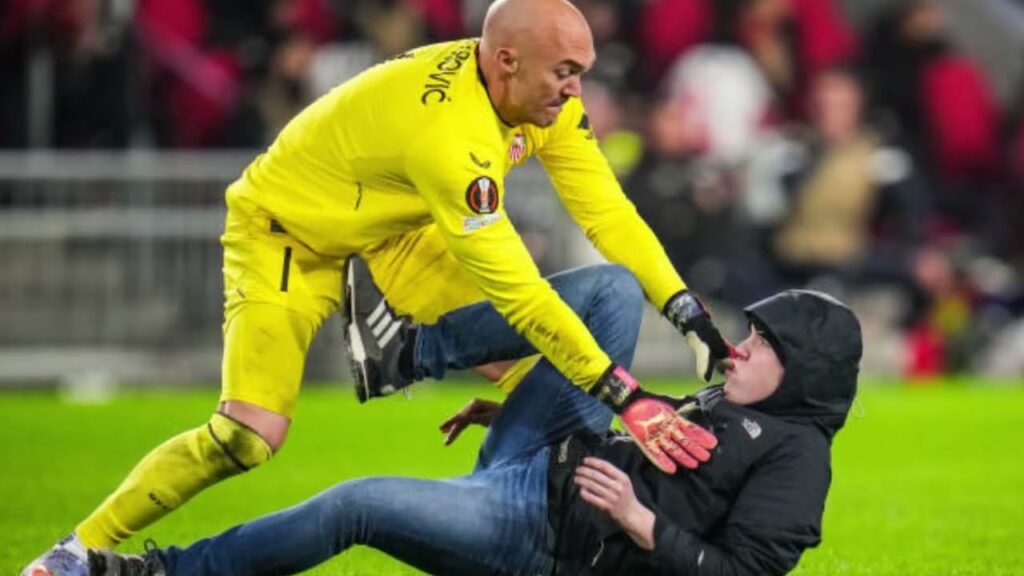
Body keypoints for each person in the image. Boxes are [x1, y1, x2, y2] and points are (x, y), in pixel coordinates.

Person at [24, 1, 733, 574]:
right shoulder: (453, 143)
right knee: (246, 438)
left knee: (534, 371)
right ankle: (77, 552)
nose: (577, 90)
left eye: (583, 71)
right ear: (507, 61)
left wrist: (688, 313)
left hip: (396, 222)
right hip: (290, 232)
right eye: (566, 72)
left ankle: (499, 475)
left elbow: (607, 211)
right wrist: (625, 396)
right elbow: (520, 294)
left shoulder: (530, 97)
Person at [86, 266, 862, 576]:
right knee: (613, 294)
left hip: (546, 534)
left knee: (354, 505)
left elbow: (748, 574)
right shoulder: (744, 402)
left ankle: (162, 573)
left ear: (805, 372)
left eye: (760, 344)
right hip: (557, 453)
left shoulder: (798, 457)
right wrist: (514, 406)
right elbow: (662, 452)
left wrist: (636, 522)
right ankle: (410, 352)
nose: (739, 348)